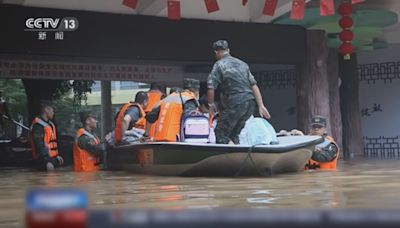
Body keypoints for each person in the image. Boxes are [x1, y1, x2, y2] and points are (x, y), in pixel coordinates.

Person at [207, 40, 271, 144]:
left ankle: (226, 157)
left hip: (236, 102)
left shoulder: (219, 65)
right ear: (228, 50)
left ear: (216, 52)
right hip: (250, 103)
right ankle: (236, 151)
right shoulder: (243, 64)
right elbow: (253, 85)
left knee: (220, 131)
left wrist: (211, 104)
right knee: (234, 133)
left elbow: (210, 87)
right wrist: (261, 105)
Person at [30, 101, 63, 171]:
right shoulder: (38, 126)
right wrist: (47, 161)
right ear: (46, 110)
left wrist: (56, 156)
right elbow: (39, 144)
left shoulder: (49, 124)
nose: (53, 112)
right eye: (52, 110)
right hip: (43, 162)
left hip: (51, 159)